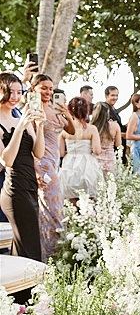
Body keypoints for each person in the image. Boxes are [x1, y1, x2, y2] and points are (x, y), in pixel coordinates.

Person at [0, 73, 45, 261]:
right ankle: (31, 289)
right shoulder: (10, 122)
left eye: (19, 92)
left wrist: (40, 126)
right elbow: (6, 160)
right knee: (31, 246)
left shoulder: (21, 117)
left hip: (30, 187)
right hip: (14, 189)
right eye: (10, 92)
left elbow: (39, 153)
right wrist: (19, 127)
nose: (15, 97)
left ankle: (16, 290)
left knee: (23, 246)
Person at [31, 74, 75, 260]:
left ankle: (55, 251)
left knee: (52, 208)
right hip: (42, 164)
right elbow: (30, 141)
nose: (48, 92)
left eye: (50, 88)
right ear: (34, 89)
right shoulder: (33, 110)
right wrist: (36, 169)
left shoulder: (55, 109)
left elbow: (72, 131)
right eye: (44, 88)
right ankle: (50, 254)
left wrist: (66, 113)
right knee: (52, 209)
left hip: (54, 163)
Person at [59, 97, 103, 202]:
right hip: (87, 165)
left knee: (71, 197)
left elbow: (60, 153)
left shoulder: (64, 130)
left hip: (69, 164)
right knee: (89, 198)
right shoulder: (92, 129)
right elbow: (97, 151)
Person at [92, 102, 122, 173]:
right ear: (108, 112)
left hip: (94, 160)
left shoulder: (91, 127)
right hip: (109, 161)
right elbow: (118, 144)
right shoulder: (115, 126)